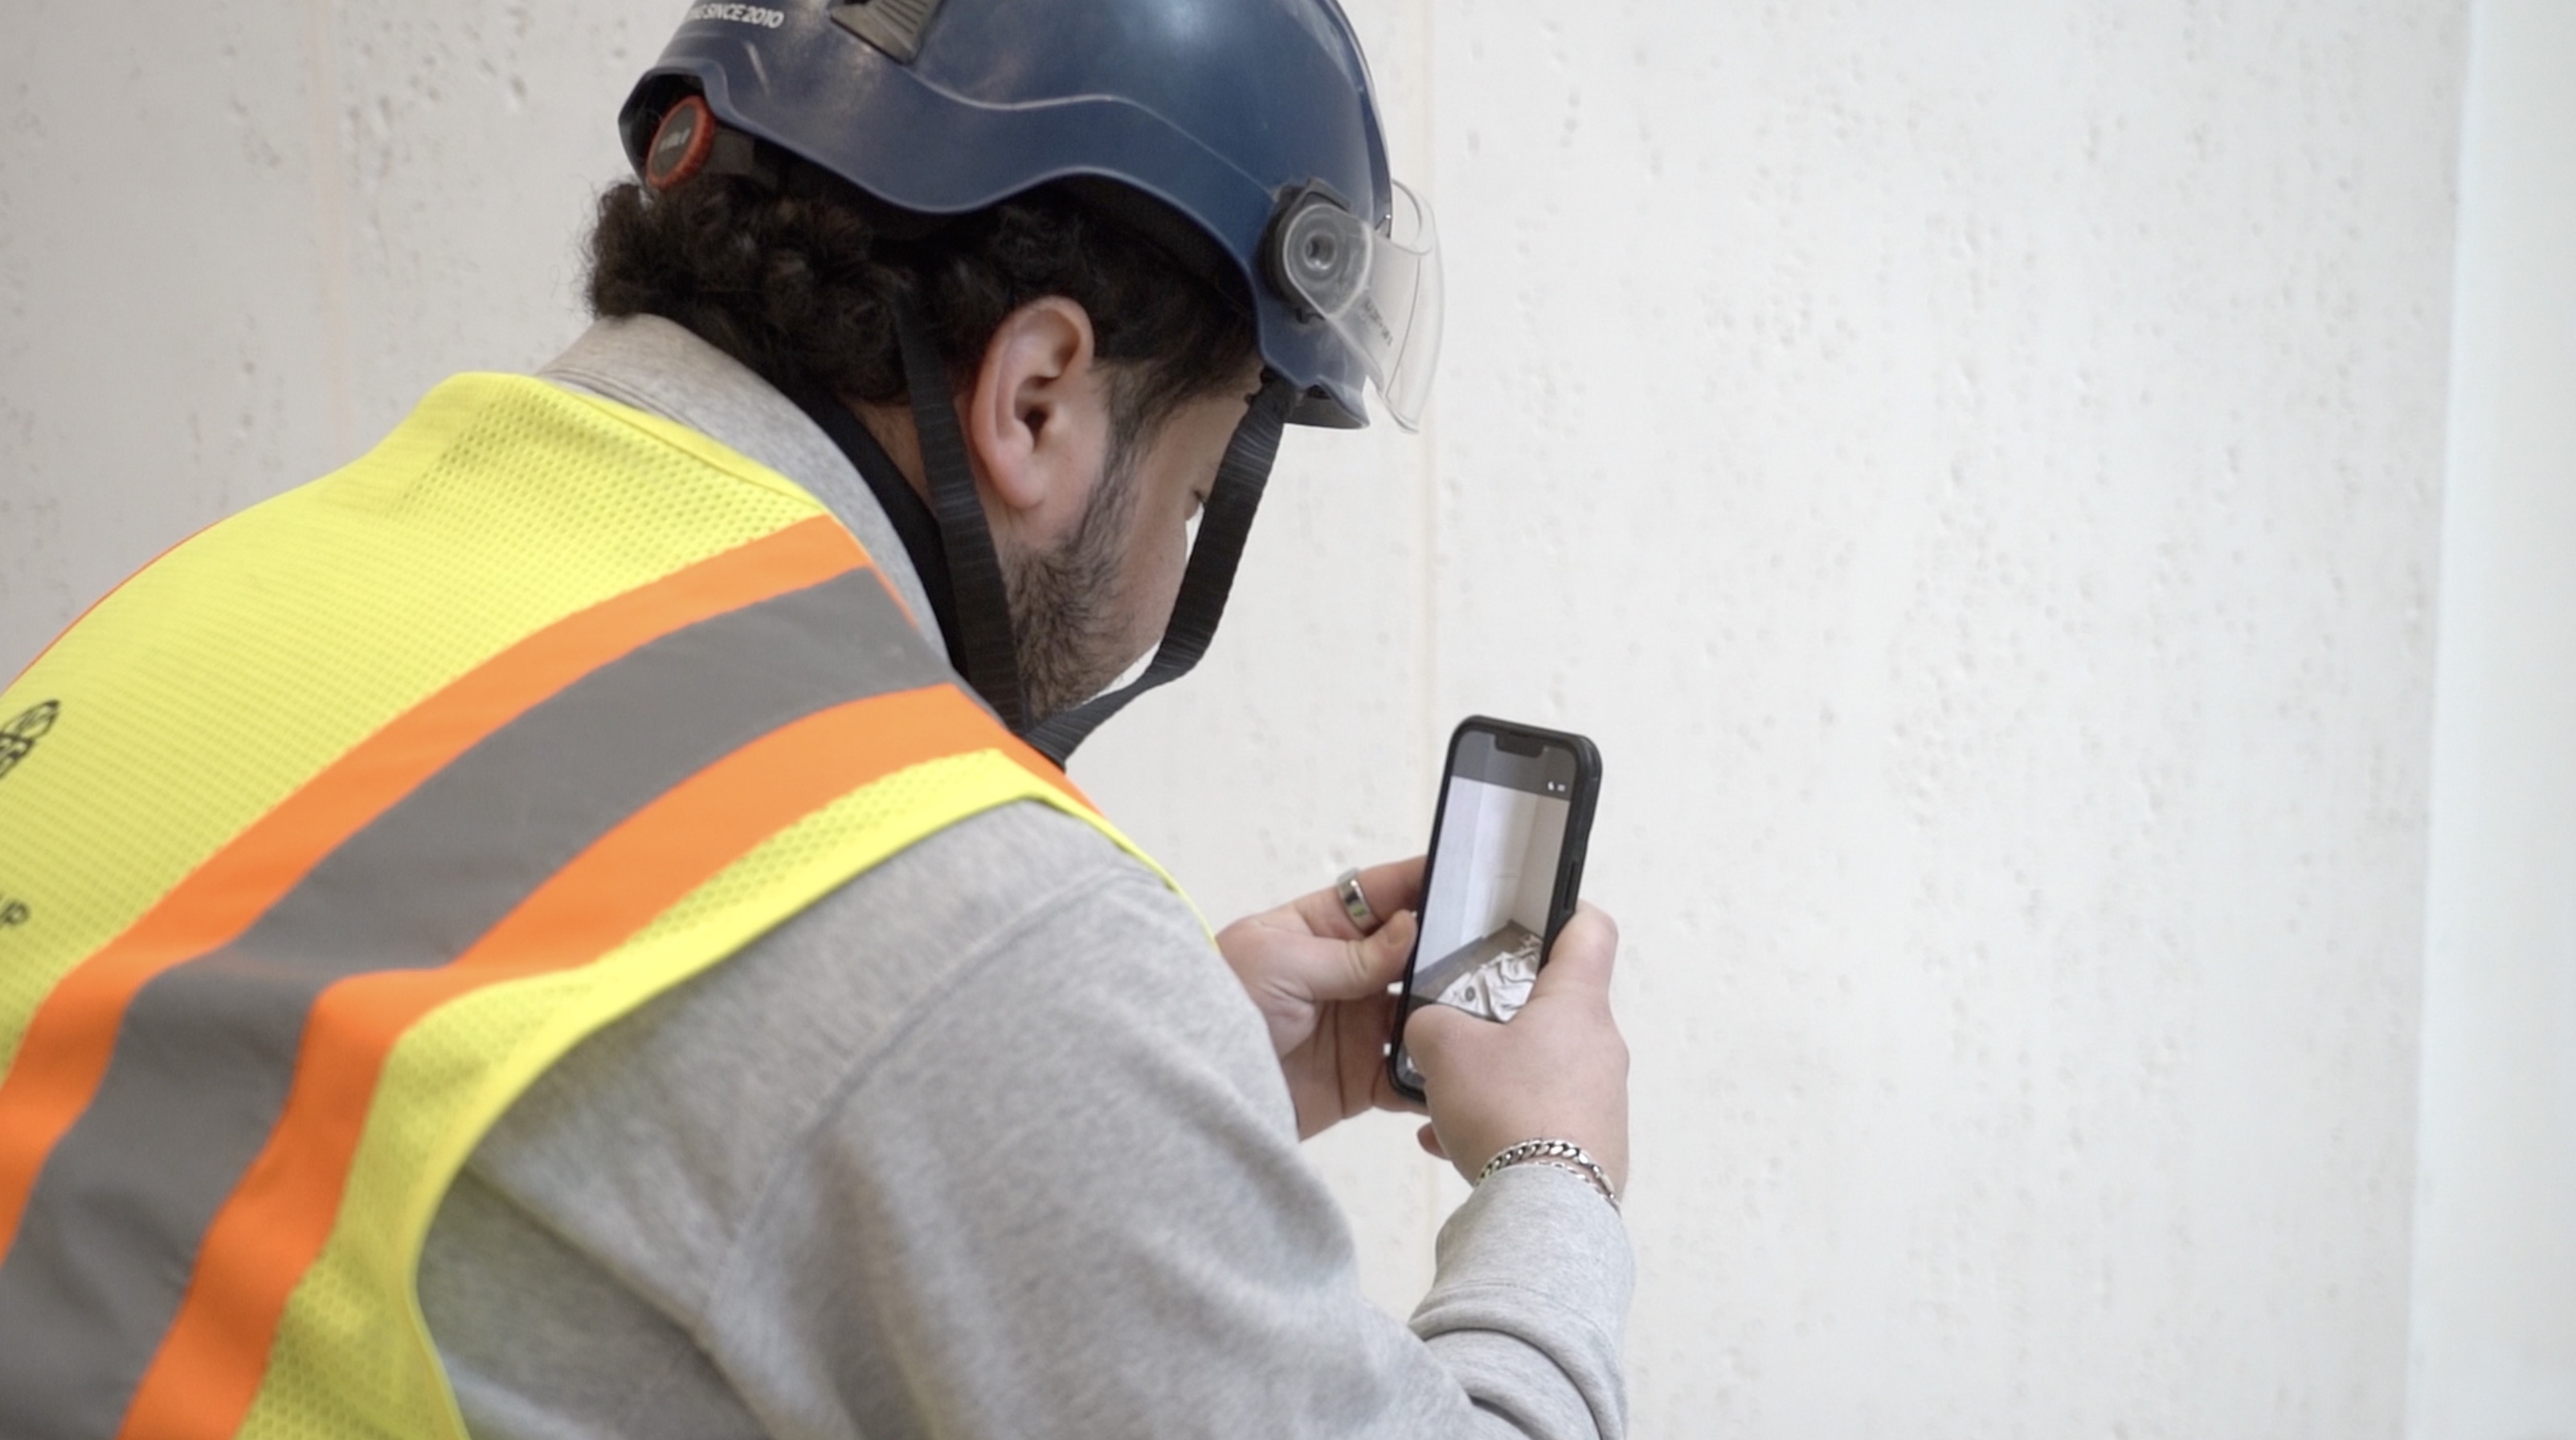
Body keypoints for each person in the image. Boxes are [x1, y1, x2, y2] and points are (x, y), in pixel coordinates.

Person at [0, 2, 1634, 1436]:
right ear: (1036, 397)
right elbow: (879, 1010)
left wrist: (1115, 1114)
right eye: (1198, 490)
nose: (1177, 550)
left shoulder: (202, 595)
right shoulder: (962, 919)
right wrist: (1549, 1172)